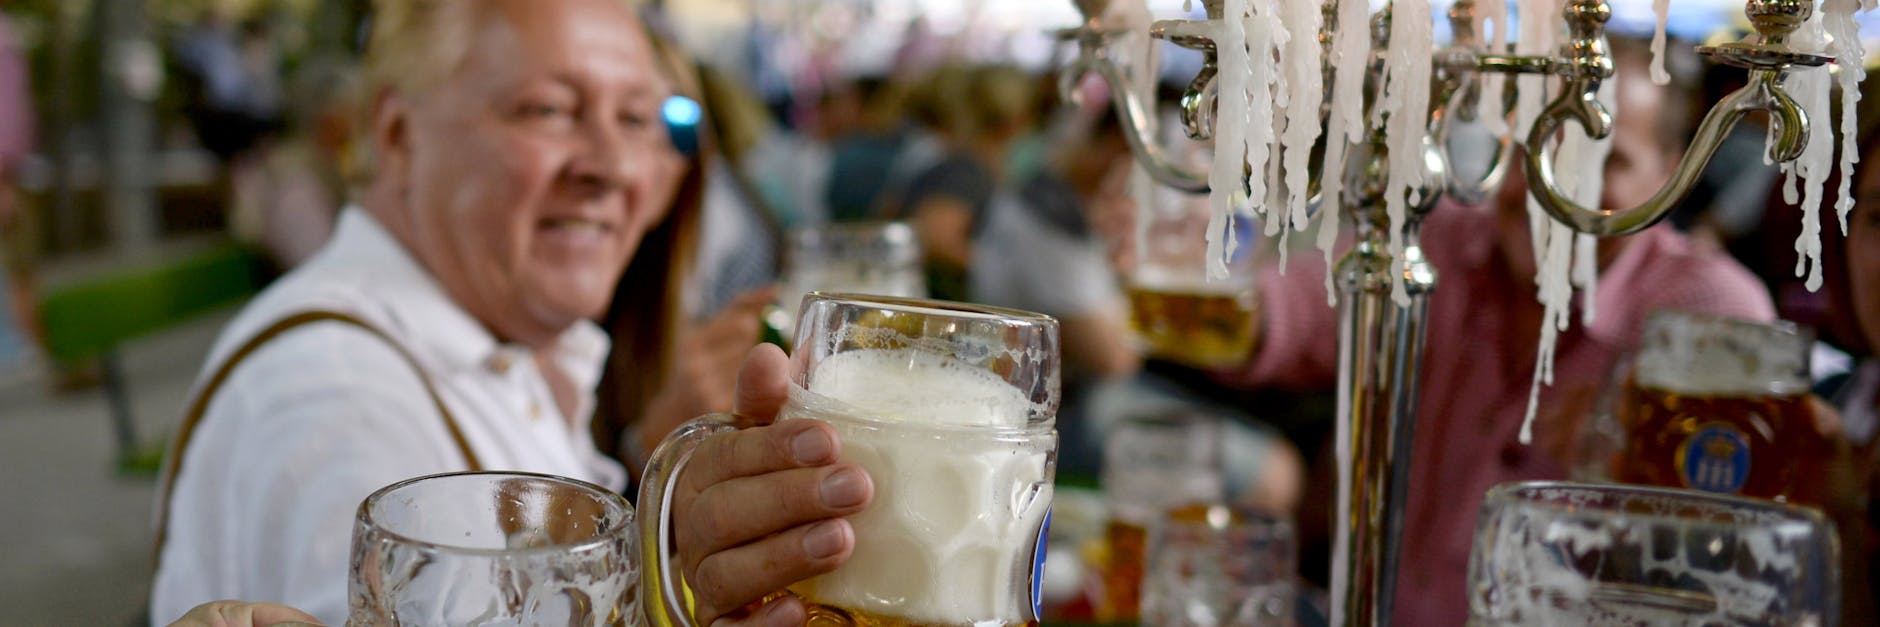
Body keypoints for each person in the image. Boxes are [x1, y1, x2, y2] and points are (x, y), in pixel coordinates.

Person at [149, 1, 699, 624]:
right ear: (398, 134)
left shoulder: (476, 341)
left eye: (635, 119)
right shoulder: (344, 400)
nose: (614, 166)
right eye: (548, 110)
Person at [1210, 38, 1777, 624]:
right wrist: (1188, 286)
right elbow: (1291, 312)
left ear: (1672, 168)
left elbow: (1729, 559)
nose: (1554, 192)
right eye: (1538, 147)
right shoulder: (1441, 242)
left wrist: (1631, 448)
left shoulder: (1709, 312)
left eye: (1602, 159)